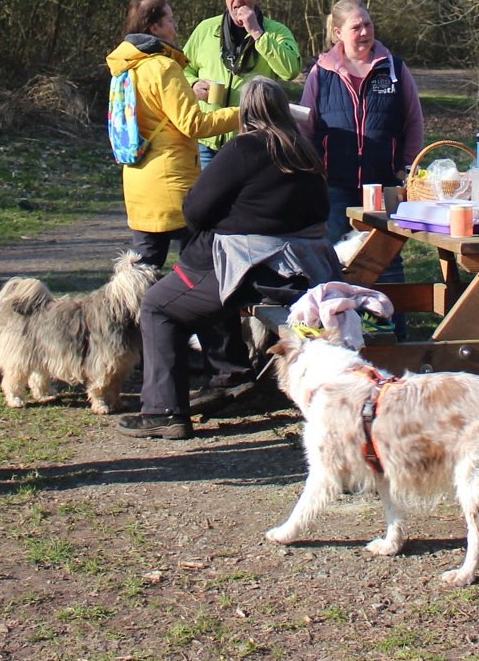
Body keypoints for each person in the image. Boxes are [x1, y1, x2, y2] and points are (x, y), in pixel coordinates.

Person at [117, 77, 340, 440]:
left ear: (245, 111)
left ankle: (163, 411)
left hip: (251, 269)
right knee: (204, 293)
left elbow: (195, 210)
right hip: (304, 271)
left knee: (158, 305)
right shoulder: (305, 151)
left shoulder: (244, 148)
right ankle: (229, 375)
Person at [298, 0, 423, 338]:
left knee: (387, 262)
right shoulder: (321, 72)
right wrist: (312, 173)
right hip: (335, 185)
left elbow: (413, 121)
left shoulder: (394, 68)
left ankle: (394, 338)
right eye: (357, 27)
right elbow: (306, 128)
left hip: (384, 185)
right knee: (335, 262)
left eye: (368, 24)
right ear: (338, 33)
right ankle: (339, 338)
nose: (365, 32)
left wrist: (406, 168)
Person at [105, 0, 239, 269]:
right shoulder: (164, 67)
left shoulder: (127, 66)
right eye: (170, 19)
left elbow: (154, 110)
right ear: (154, 27)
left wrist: (189, 92)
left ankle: (133, 300)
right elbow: (194, 124)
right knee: (196, 268)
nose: (175, 25)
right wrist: (244, 112)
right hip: (171, 183)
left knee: (141, 273)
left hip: (138, 180)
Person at [183, 0, 301, 167]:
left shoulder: (276, 32)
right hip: (207, 141)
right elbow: (181, 69)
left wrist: (257, 33)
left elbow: (290, 71)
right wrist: (193, 84)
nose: (238, 0)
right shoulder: (205, 29)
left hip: (253, 140)